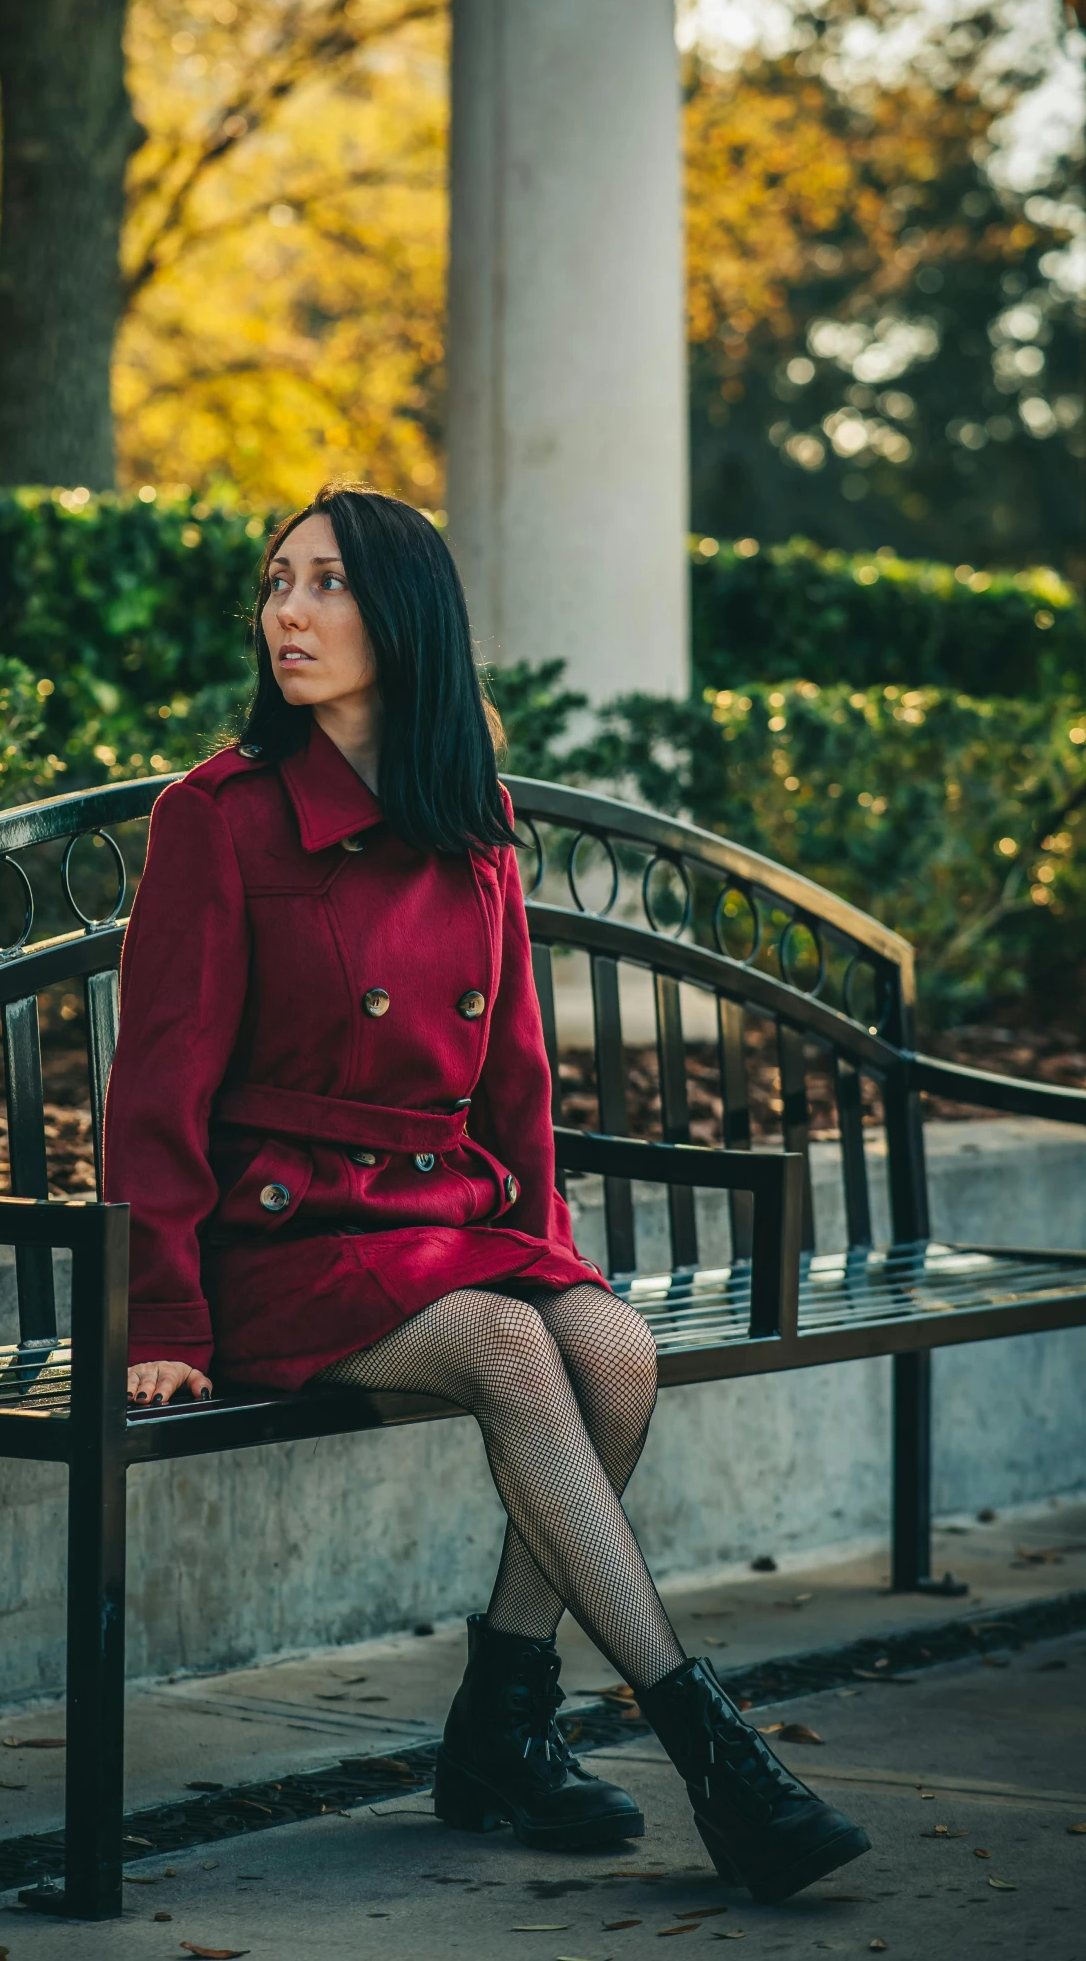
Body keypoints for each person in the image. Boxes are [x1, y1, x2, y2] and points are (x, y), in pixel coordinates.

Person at [103, 484, 868, 1904]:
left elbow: (513, 1081)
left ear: (403, 618)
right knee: (509, 1346)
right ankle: (702, 1742)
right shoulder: (217, 819)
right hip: (278, 1243)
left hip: (440, 1221)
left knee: (609, 1348)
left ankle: (501, 1724)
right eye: (276, 583)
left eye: (324, 584)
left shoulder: (474, 821)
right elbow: (155, 1085)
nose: (287, 612)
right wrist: (162, 1309)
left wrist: (555, 1262)